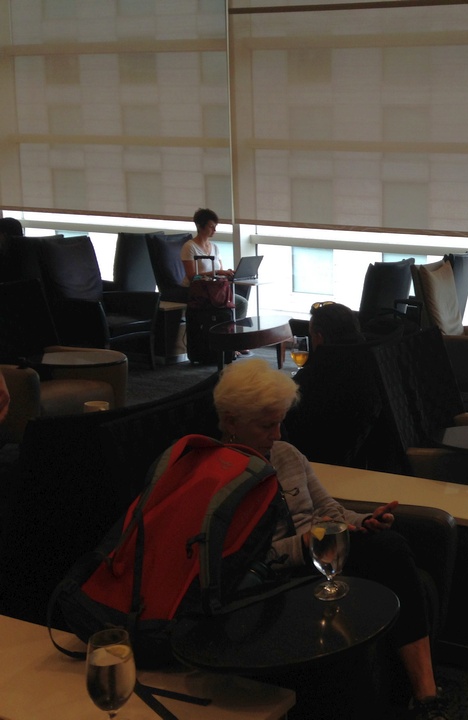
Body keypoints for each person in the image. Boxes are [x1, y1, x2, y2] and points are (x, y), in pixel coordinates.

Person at [213, 359, 447, 719]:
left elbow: (331, 510)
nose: (277, 434)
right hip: (279, 576)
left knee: (389, 542)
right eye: (266, 425)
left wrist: (364, 521)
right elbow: (239, 559)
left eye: (279, 421)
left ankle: (421, 694)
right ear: (230, 421)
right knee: (391, 552)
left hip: (323, 550)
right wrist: (305, 543)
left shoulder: (286, 454)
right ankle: (424, 694)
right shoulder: (219, 479)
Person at [284, 302, 386, 468]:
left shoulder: (310, 380)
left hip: (316, 463)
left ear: (319, 337)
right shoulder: (376, 361)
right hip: (366, 461)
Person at [180, 208, 248, 320]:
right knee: (236, 304)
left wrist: (227, 273)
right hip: (197, 290)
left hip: (213, 289)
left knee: (241, 303)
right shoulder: (189, 247)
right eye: (211, 226)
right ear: (200, 226)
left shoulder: (215, 247)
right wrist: (216, 272)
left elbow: (219, 271)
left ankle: (233, 332)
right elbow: (192, 276)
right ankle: (228, 331)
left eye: (215, 226)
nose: (214, 230)